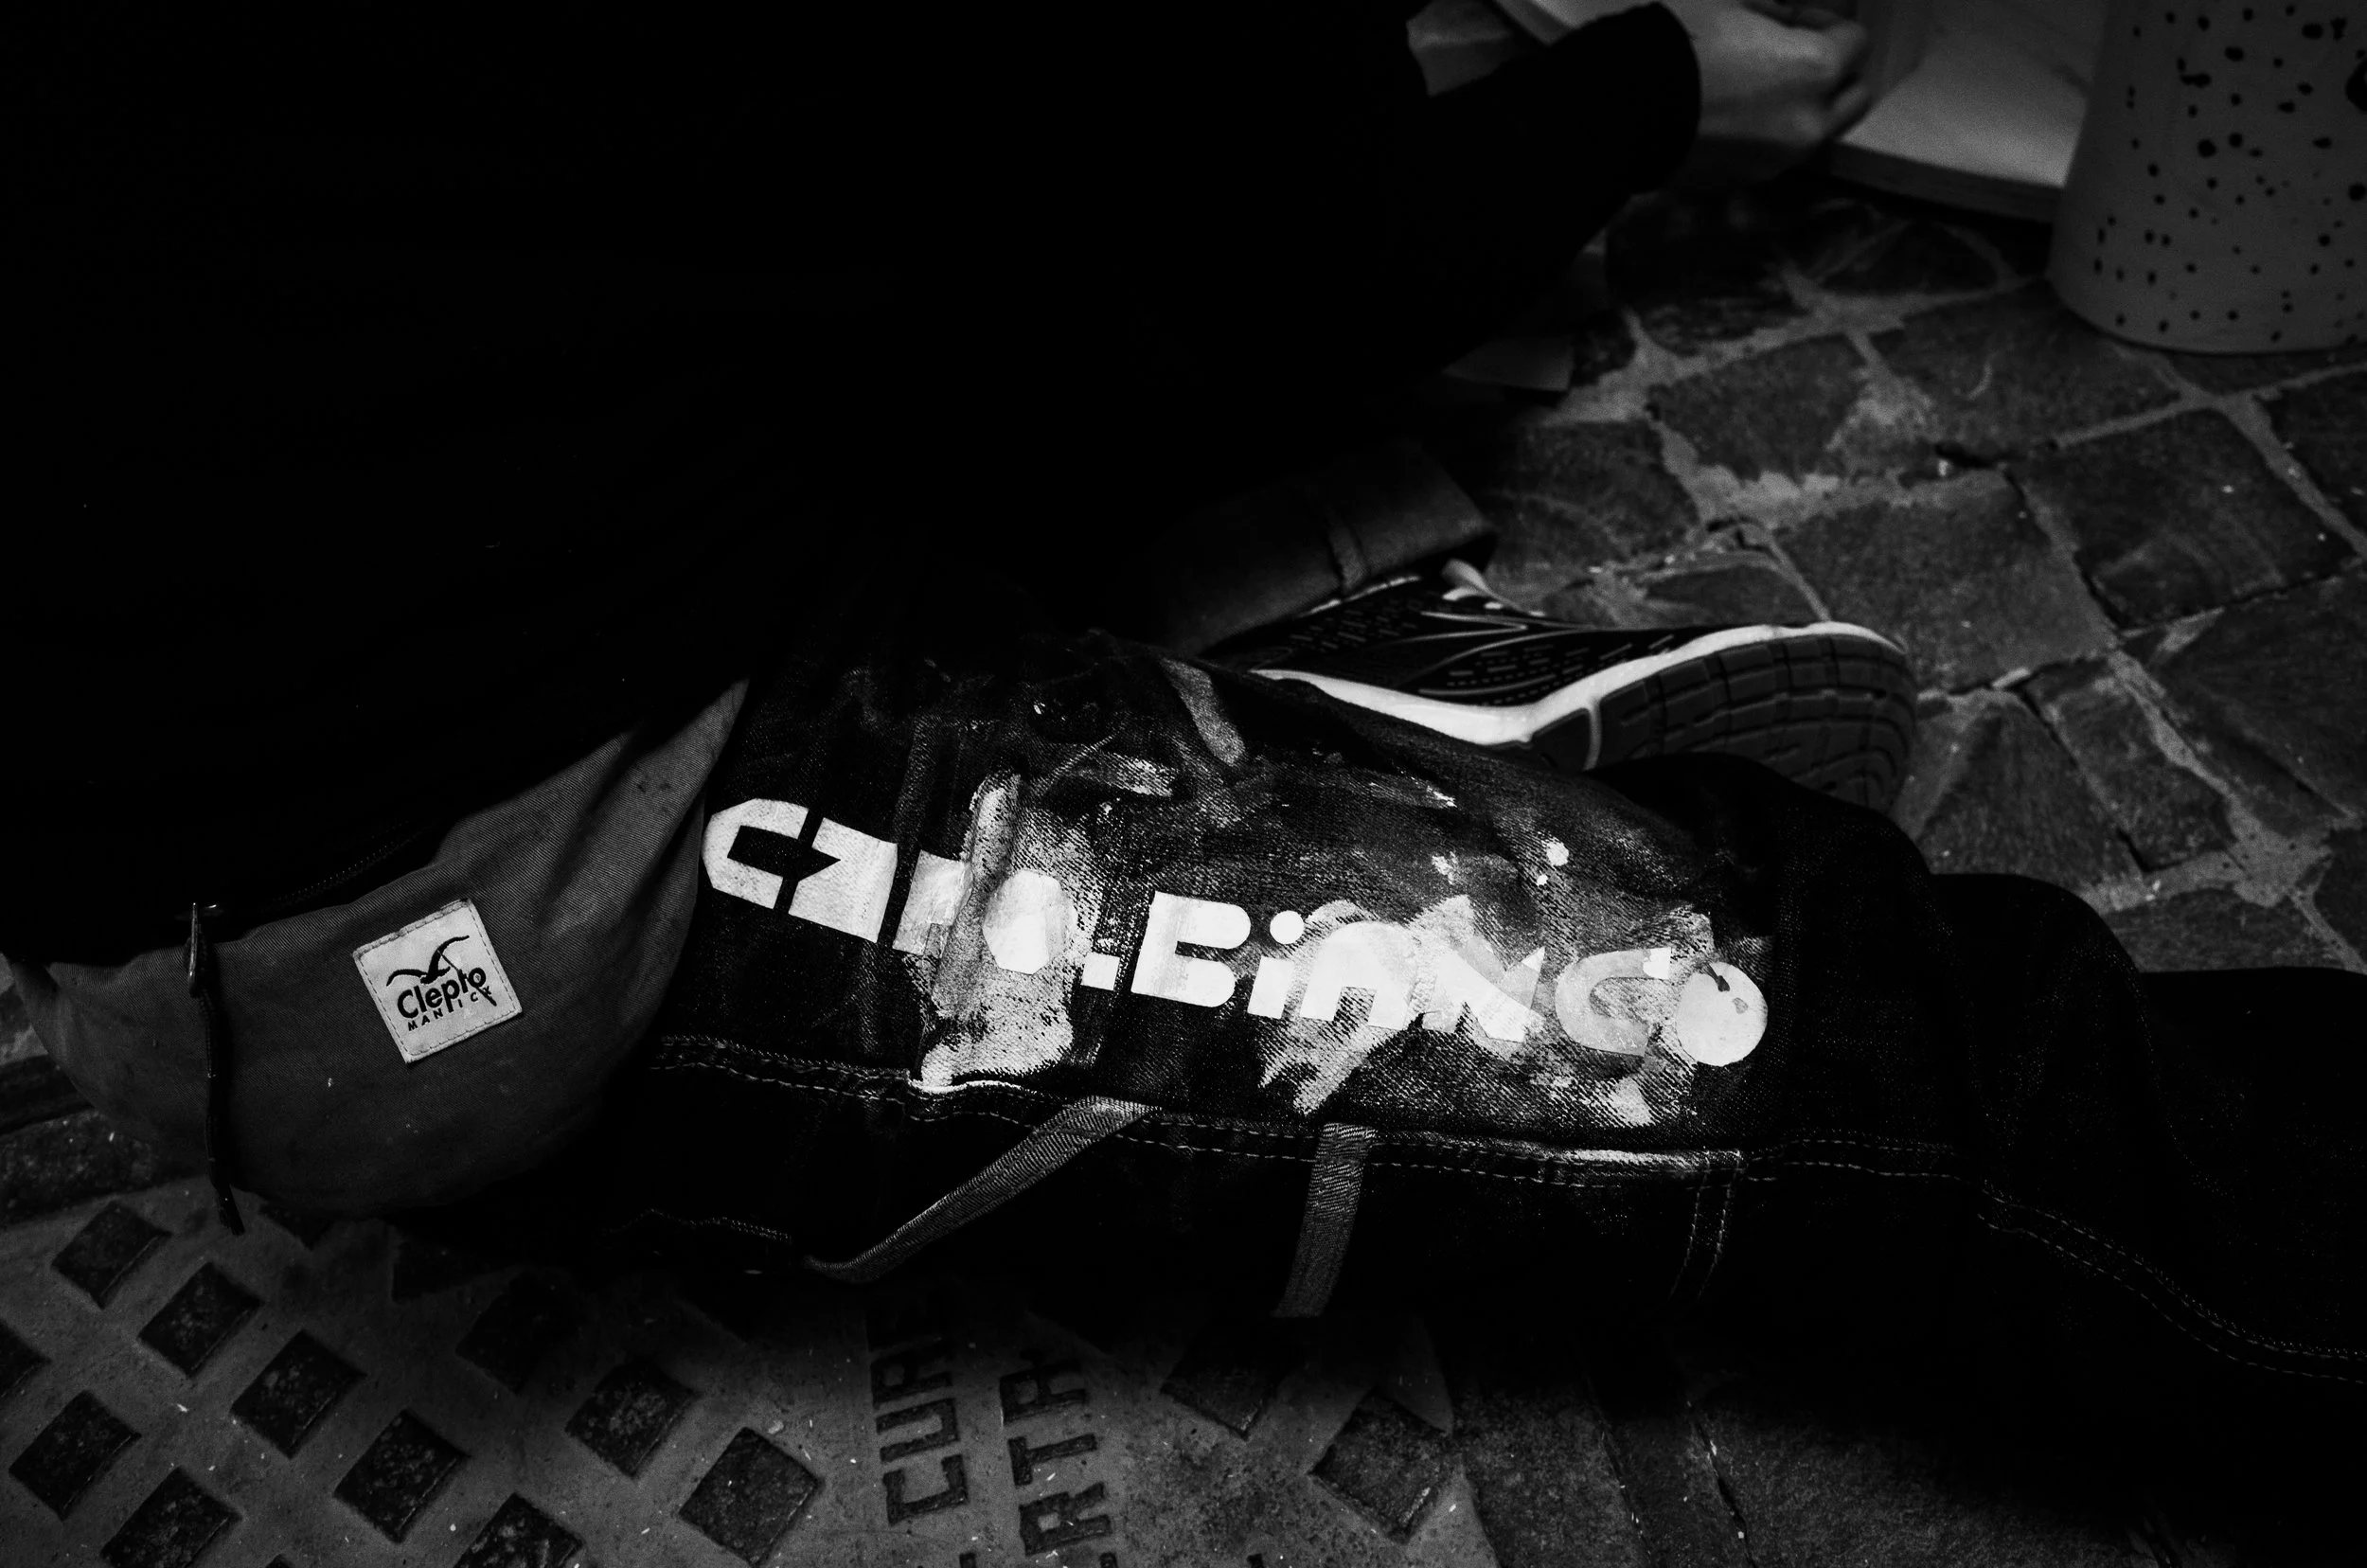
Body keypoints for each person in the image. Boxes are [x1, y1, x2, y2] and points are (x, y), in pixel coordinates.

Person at [7, 1, 2358, 1488]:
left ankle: (1234, 740)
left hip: (434, 607)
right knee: (1739, 1011)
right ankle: (1274, 776)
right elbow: (1233, 294)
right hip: (442, 910)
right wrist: (1642, 92)